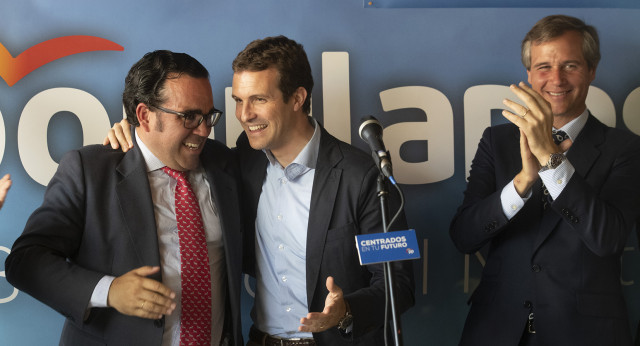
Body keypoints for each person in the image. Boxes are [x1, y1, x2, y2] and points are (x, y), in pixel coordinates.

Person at [106, 36, 415, 346]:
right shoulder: (240, 160)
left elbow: (399, 284)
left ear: (297, 98)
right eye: (239, 101)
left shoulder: (362, 176)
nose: (244, 114)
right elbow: (166, 143)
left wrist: (346, 311)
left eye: (259, 100)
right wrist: (132, 131)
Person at [5, 50, 243, 346]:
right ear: (144, 115)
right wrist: (109, 291)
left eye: (208, 115)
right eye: (190, 117)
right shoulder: (89, 171)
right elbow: (24, 262)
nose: (205, 130)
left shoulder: (224, 164)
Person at [450, 15, 640, 346]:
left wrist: (550, 160)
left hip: (586, 336)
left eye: (570, 66)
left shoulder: (625, 148)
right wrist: (522, 182)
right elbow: (464, 237)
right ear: (528, 74)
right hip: (497, 331)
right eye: (543, 67)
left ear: (592, 70)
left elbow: (607, 238)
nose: (556, 79)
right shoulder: (496, 141)